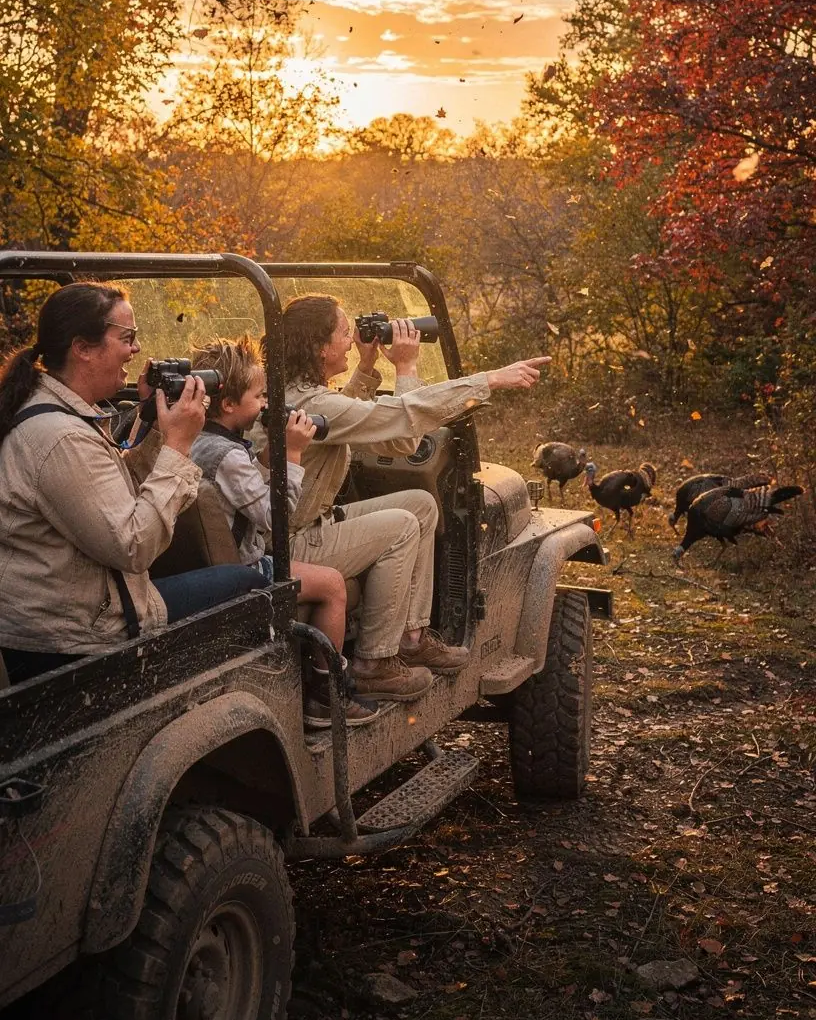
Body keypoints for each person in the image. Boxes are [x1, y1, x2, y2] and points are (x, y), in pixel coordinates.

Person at [0, 284, 276, 685]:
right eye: (127, 337)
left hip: (80, 611)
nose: (137, 348)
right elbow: (133, 546)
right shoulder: (61, 437)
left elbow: (116, 493)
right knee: (252, 585)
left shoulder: (64, 412)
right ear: (83, 348)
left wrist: (154, 421)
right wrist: (179, 446)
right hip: (75, 638)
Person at [282, 294, 549, 704]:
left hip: (304, 527)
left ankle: (411, 636)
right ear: (320, 347)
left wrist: (367, 368)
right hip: (293, 543)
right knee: (402, 526)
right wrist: (470, 377)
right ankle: (374, 663)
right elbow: (404, 424)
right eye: (344, 332)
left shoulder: (299, 395)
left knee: (419, 505)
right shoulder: (313, 403)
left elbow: (378, 431)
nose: (353, 339)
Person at [188, 336, 378, 727]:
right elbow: (275, 518)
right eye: (259, 397)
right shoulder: (228, 456)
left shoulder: (200, 440)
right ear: (229, 404)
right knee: (333, 585)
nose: (264, 405)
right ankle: (326, 694)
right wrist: (293, 455)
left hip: (204, 567)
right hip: (245, 569)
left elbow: (242, 490)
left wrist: (269, 454)